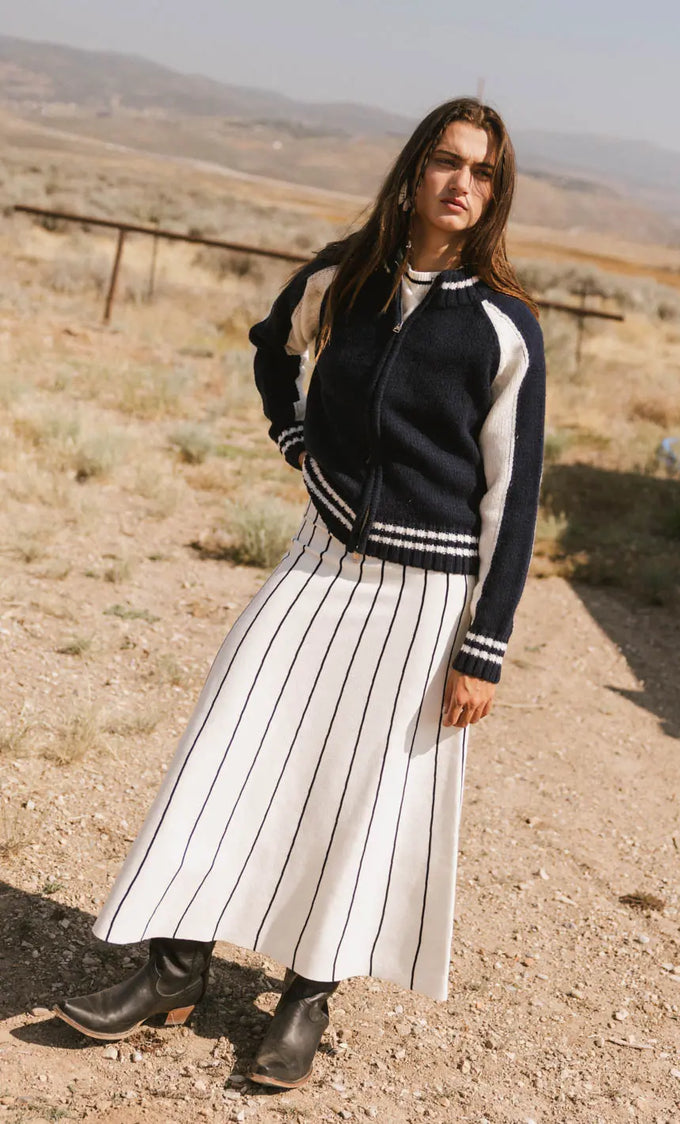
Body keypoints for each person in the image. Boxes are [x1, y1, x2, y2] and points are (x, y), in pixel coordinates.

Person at [52, 96, 546, 1090]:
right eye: (447, 161)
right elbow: (271, 345)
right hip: (315, 563)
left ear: (494, 194)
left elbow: (514, 495)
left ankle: (305, 996)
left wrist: (483, 646)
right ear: (413, 173)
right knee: (228, 747)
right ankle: (174, 965)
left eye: (483, 172)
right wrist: (295, 440)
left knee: (361, 794)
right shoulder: (344, 275)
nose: (462, 182)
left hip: (423, 596)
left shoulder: (504, 324)